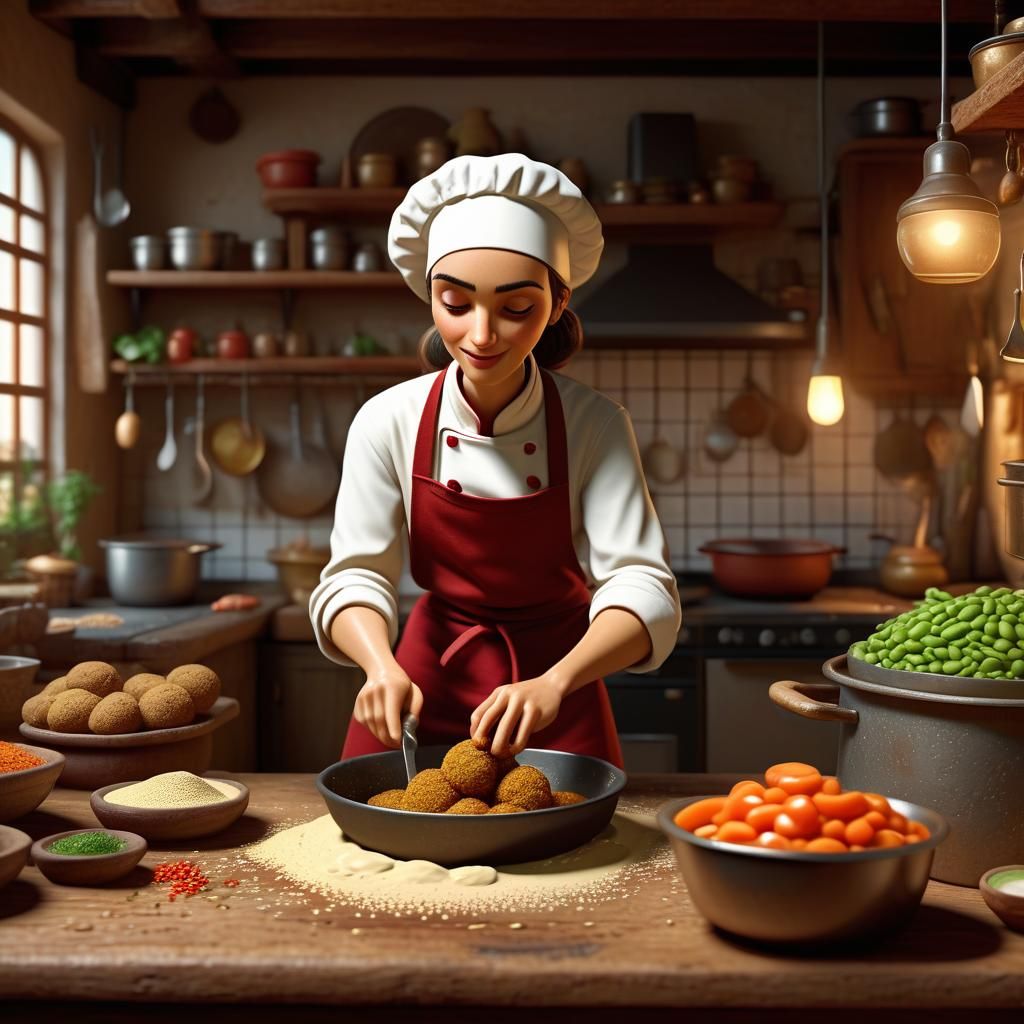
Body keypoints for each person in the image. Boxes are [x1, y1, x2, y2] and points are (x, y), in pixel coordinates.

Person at [310, 153, 681, 765]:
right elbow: (355, 575)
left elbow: (642, 586)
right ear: (429, 298)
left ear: (557, 305)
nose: (482, 335)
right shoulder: (387, 420)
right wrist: (379, 666)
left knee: (584, 853)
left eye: (515, 309)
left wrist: (557, 682)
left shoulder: (595, 424)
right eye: (455, 304)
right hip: (423, 682)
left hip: (558, 682)